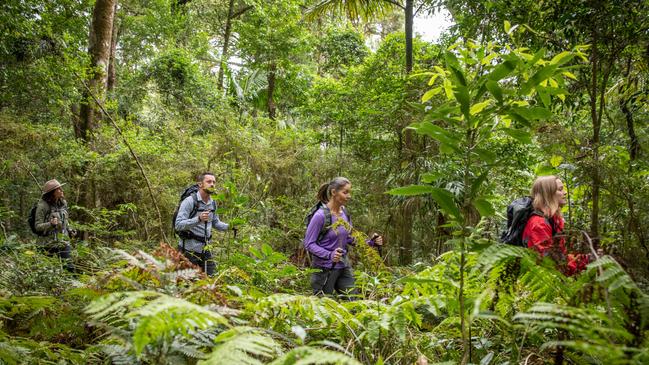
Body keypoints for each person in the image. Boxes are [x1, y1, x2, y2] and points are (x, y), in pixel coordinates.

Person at [304, 177, 383, 297]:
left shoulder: (344, 212)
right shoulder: (320, 216)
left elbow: (350, 238)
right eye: (345, 192)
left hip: (343, 266)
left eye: (349, 192)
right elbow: (309, 244)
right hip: (324, 270)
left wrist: (371, 243)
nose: (349, 196)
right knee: (325, 307)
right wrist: (329, 255)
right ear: (334, 192)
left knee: (354, 301)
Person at [522, 175, 589, 276]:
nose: (565, 192)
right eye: (560, 189)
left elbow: (562, 256)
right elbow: (552, 267)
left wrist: (585, 258)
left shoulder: (554, 219)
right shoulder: (539, 225)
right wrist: (583, 261)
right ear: (548, 194)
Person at [174, 172, 233, 276]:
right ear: (200, 184)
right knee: (187, 284)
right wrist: (198, 219)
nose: (212, 184)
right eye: (209, 181)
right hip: (188, 251)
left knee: (212, 280)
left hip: (205, 250)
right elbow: (178, 224)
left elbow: (216, 223)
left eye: (214, 182)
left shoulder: (213, 203)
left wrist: (230, 227)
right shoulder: (190, 201)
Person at [34, 179, 75, 272]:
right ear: (52, 193)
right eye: (59, 189)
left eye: (61, 188)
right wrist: (50, 224)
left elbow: (65, 220)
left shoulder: (63, 203)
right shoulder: (42, 206)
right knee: (45, 271)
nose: (62, 190)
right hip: (46, 243)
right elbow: (37, 226)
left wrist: (69, 229)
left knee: (70, 268)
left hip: (62, 241)